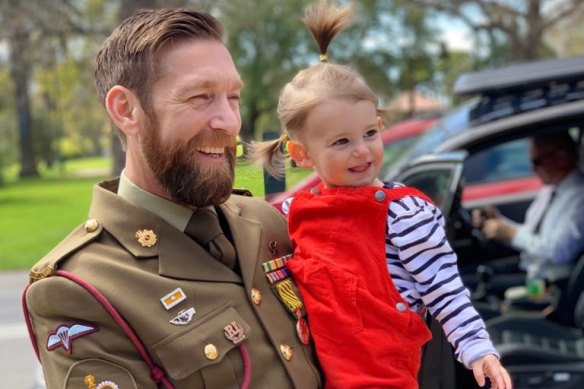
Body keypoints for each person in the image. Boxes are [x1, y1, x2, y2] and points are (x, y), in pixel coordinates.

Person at [21, 8, 322, 389]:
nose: (229, 122)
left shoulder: (265, 222)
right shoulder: (80, 290)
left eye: (233, 97)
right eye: (200, 97)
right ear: (126, 111)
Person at [250, 1, 512, 388]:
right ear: (302, 154)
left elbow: (444, 289)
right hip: (312, 375)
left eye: (370, 133)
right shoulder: (293, 213)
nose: (362, 150)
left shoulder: (404, 215)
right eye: (342, 141)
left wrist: (477, 348)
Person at [472, 131, 584, 296]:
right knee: (476, 274)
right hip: (532, 269)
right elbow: (530, 235)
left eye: (537, 162)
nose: (533, 169)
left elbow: (559, 252)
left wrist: (510, 233)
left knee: (474, 287)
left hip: (550, 284)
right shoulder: (550, 190)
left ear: (561, 157)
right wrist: (500, 224)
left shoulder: (579, 197)